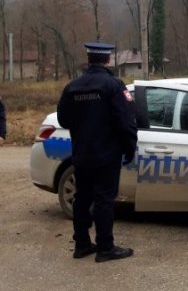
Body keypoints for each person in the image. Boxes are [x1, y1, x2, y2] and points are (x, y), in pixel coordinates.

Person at [57, 42, 138, 263]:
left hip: (81, 153)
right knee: (104, 200)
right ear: (107, 60)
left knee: (82, 198)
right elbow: (125, 120)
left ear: (89, 59)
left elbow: (63, 119)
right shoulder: (113, 85)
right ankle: (105, 247)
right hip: (106, 154)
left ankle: (82, 244)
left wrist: (83, 126)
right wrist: (129, 147)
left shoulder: (72, 86)